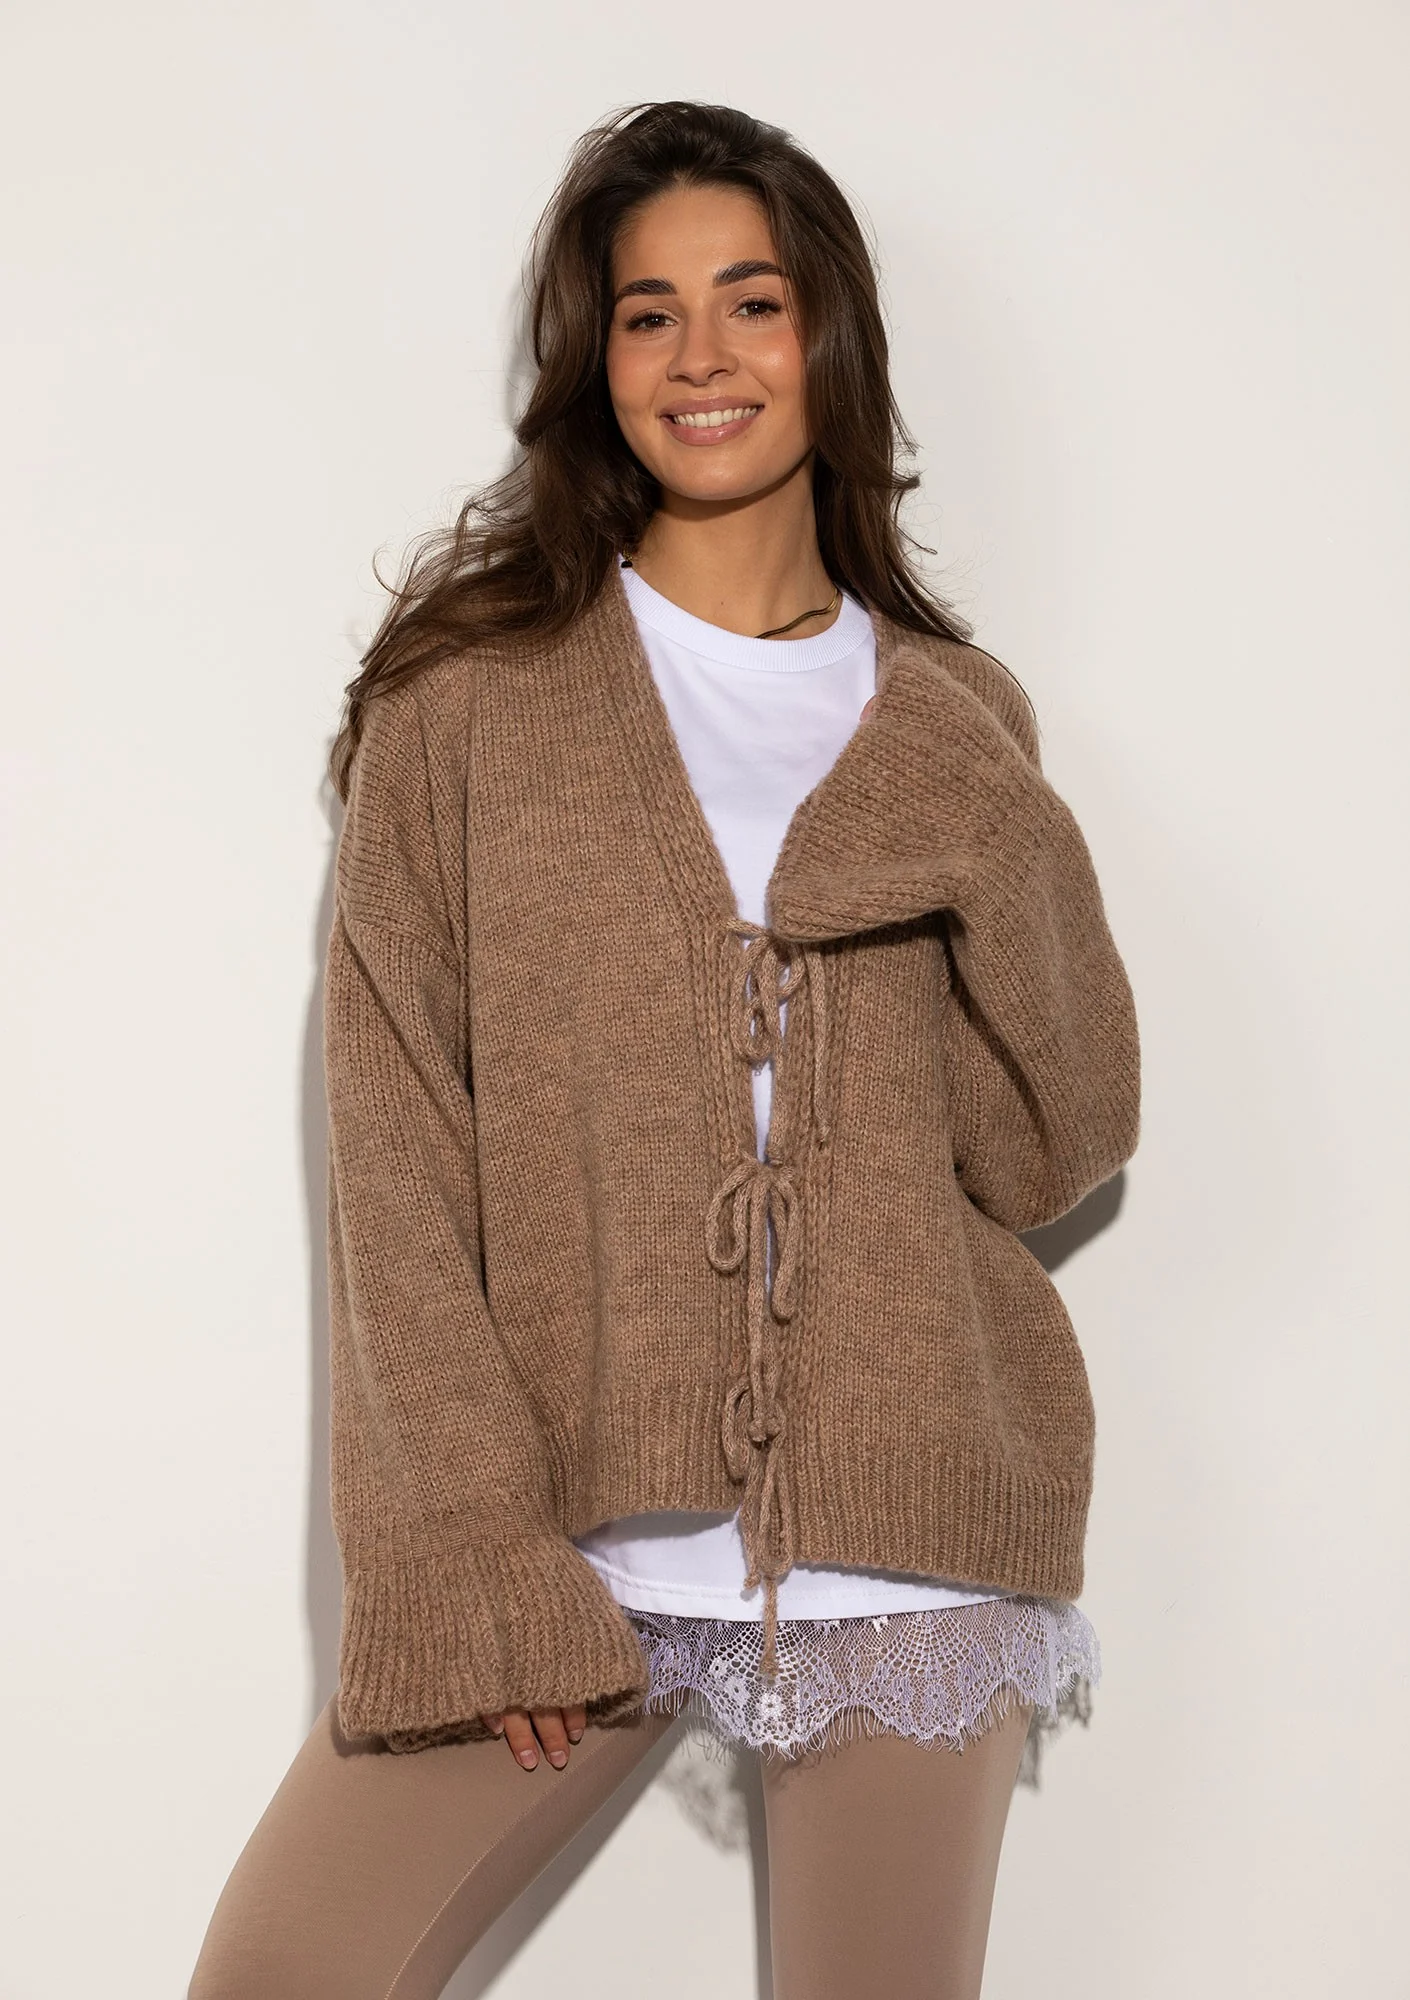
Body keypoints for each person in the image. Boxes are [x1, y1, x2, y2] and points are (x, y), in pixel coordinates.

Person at [189, 98, 1141, 2000]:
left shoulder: (952, 712)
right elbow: (398, 1155)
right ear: (596, 360)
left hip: (911, 1500)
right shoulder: (467, 706)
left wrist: (1000, 829)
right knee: (285, 1972)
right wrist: (469, 1544)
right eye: (648, 313)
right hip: (566, 1515)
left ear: (827, 339)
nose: (702, 355)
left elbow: (1055, 1145)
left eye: (751, 301)